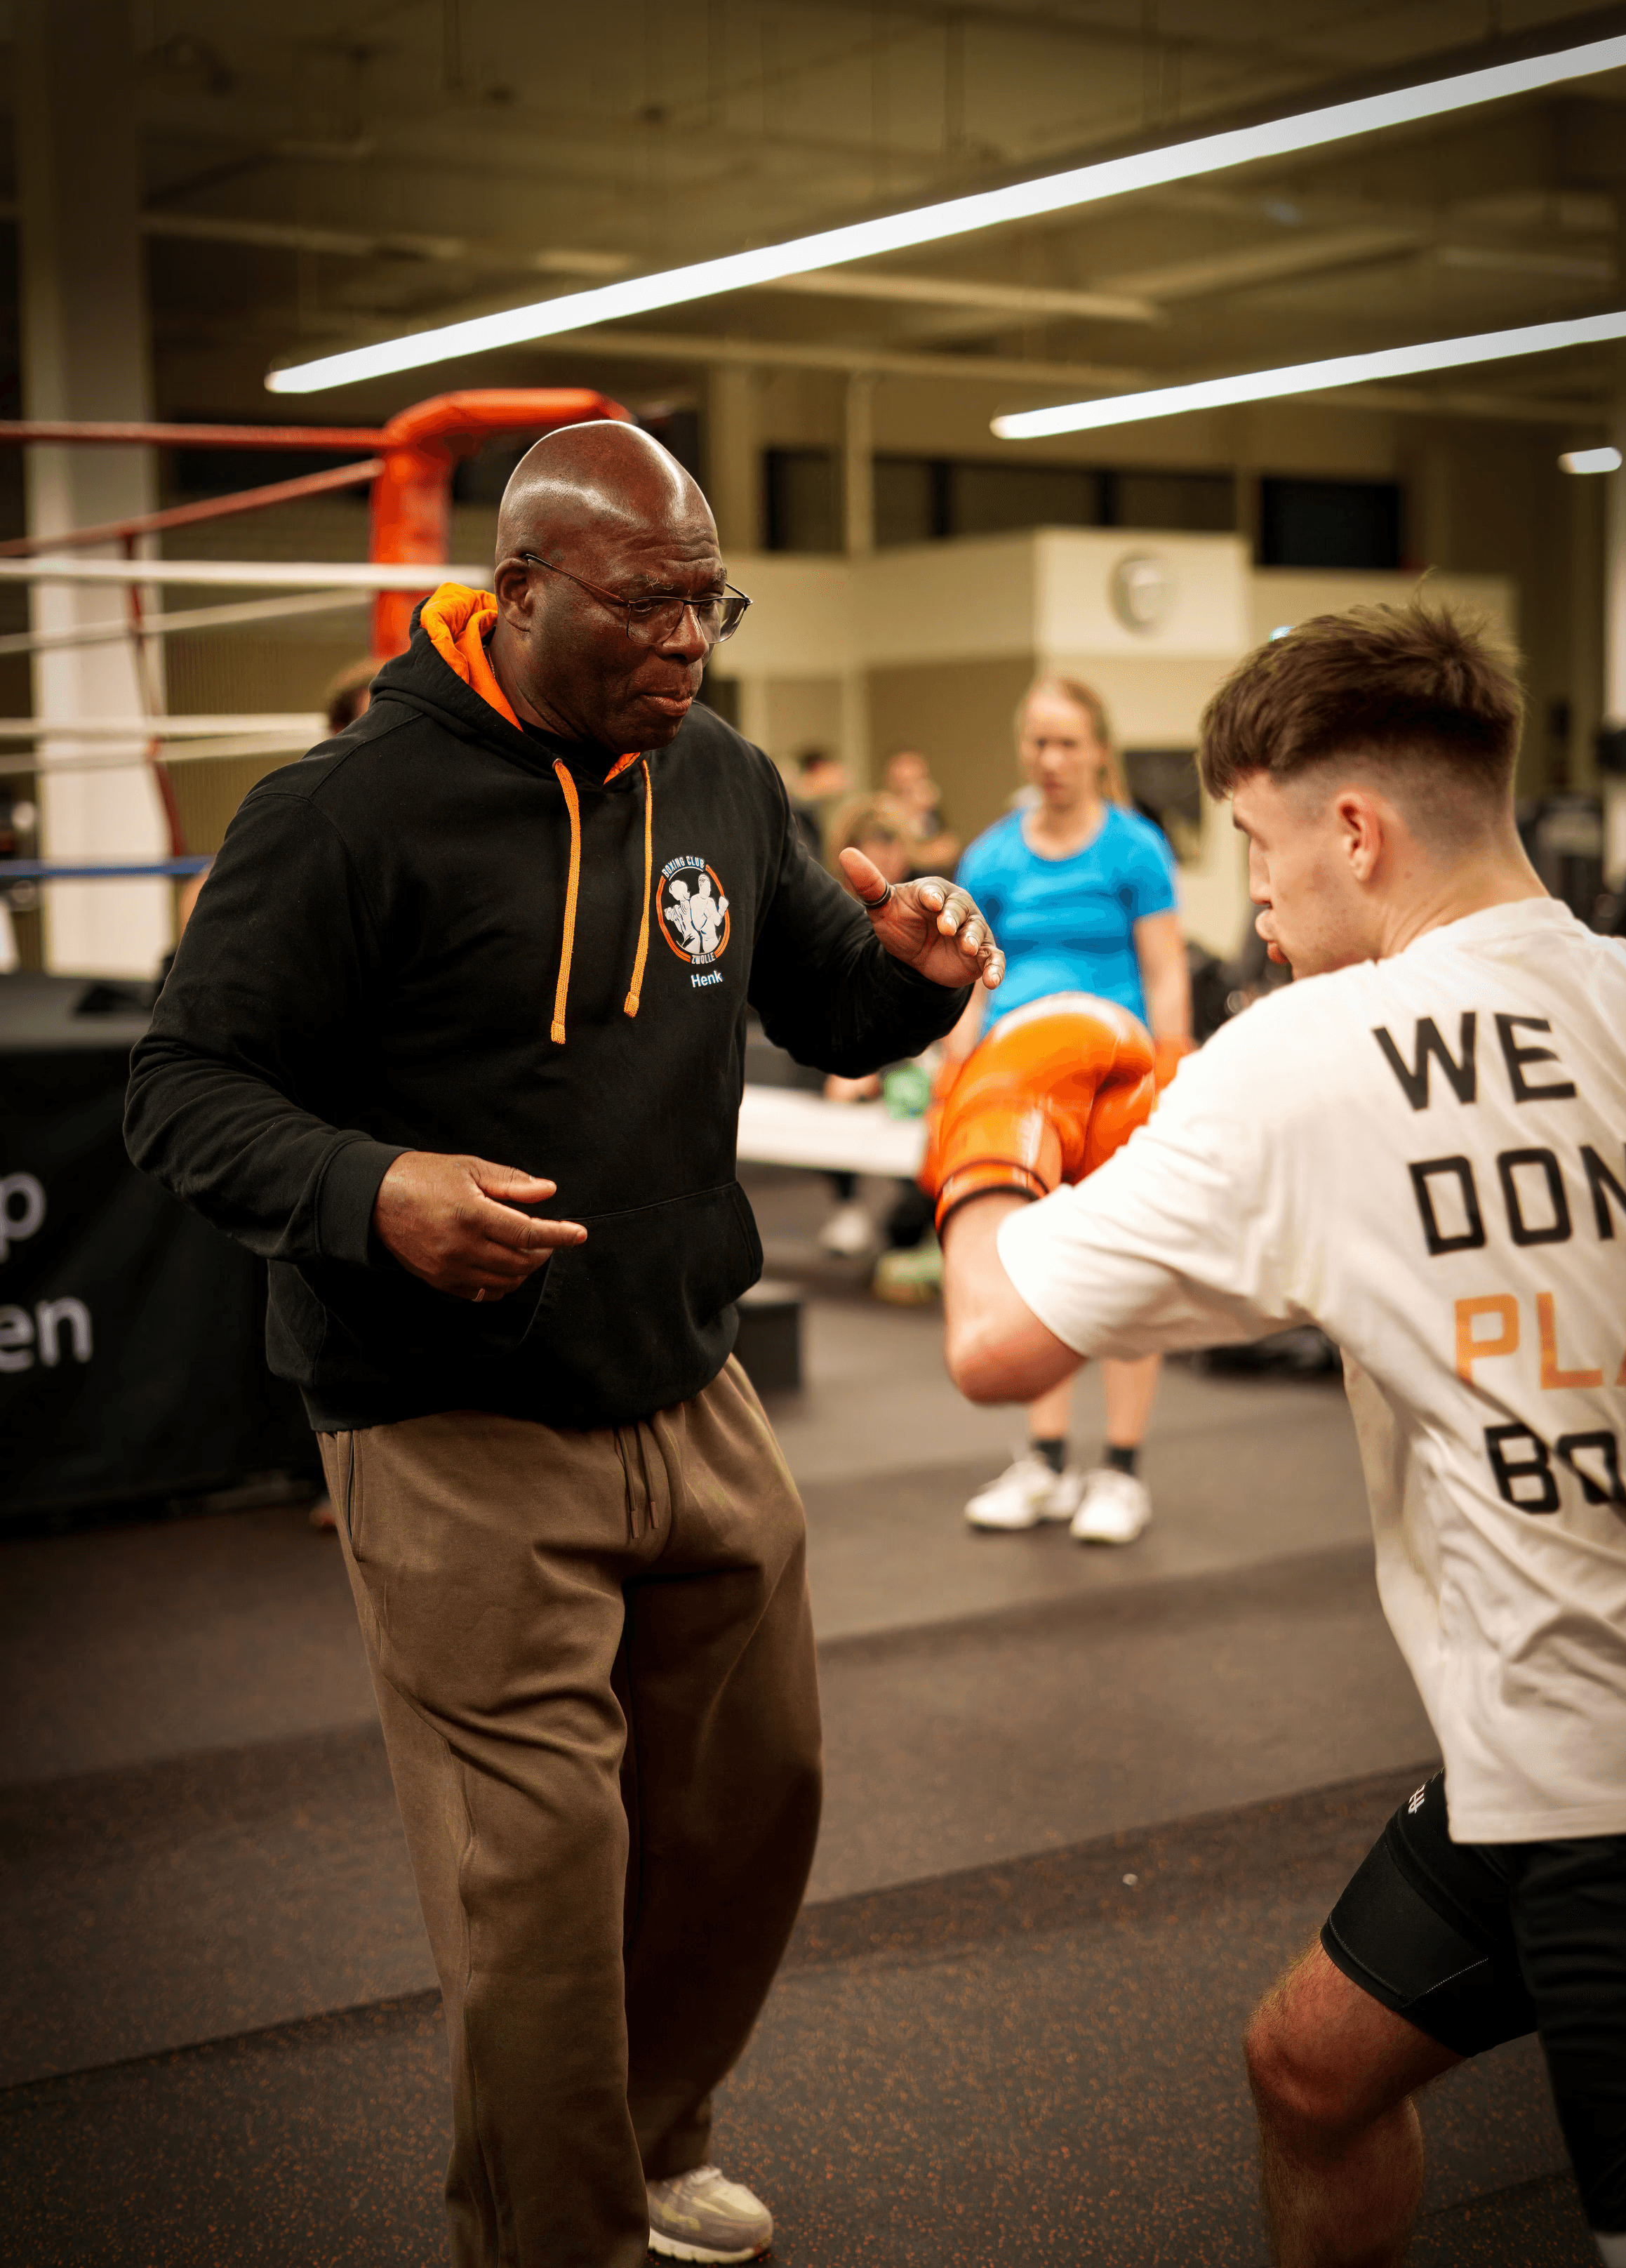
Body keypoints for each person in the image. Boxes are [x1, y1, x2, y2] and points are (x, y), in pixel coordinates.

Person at [124, 422, 1003, 2268]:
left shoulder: (725, 779)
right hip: (447, 1410)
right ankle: (560, 2226)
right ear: (516, 590)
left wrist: (914, 966)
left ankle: (653, 2132)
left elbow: (827, 994)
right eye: (650, 603)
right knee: (537, 1866)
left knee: (753, 1794)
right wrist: (372, 1187)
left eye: (711, 602)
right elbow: (185, 1088)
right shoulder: (344, 814)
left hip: (688, 1370)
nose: (692, 640)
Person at [933, 604, 1626, 2268]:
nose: (1241, 891)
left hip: (1596, 1773)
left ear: (1349, 829)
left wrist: (989, 1130)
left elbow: (987, 1341)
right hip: (1519, 1749)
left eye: (1250, 841)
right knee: (1309, 2065)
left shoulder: (1301, 1059)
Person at [949, 676, 1192, 1544]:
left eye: (1067, 744)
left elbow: (1165, 971)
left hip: (1118, 1087)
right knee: (1038, 1274)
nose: (1051, 760)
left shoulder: (1134, 851)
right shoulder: (990, 857)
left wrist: (1173, 1070)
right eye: (1038, 743)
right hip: (1020, 1099)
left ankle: (1119, 1472)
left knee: (1127, 1274)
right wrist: (954, 1067)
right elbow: (976, 983)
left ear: (1097, 751)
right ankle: (1046, 1462)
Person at [815, 795, 917, 1259]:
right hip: (841, 1041)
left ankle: (917, 1218)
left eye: (893, 848)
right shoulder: (826, 909)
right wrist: (855, 1063)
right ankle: (849, 1205)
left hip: (913, 1047)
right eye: (876, 847)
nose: (886, 859)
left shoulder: (920, 906)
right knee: (840, 1080)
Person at [882, 747, 961, 876]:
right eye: (905, 790)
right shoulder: (880, 820)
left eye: (920, 782)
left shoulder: (932, 815)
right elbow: (898, 862)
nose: (918, 793)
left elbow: (949, 850)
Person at [789, 745, 850, 860]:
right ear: (818, 768)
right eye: (833, 772)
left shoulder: (810, 812)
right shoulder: (795, 814)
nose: (841, 781)